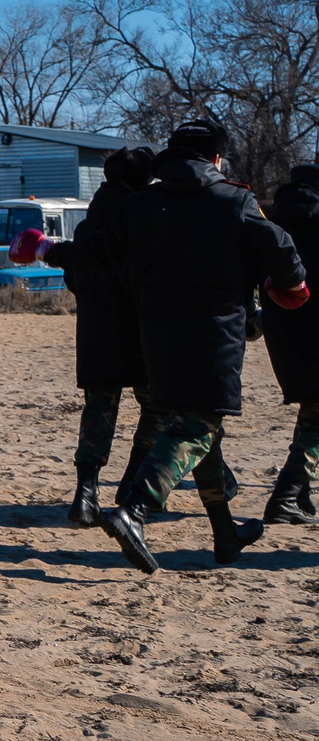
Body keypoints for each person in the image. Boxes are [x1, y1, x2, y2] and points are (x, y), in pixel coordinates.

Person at [92, 119, 307, 572]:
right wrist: (290, 283)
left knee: (197, 424)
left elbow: (109, 254)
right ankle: (134, 509)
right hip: (214, 332)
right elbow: (280, 244)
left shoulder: (140, 203)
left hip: (154, 331)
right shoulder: (234, 199)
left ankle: (225, 533)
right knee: (200, 426)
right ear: (216, 158)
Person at [16, 146, 159, 524]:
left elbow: (73, 279)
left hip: (97, 333)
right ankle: (131, 484)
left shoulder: (85, 227)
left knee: (98, 413)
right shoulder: (143, 222)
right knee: (157, 409)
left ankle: (86, 493)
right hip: (144, 333)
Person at [260, 164, 319, 526]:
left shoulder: (273, 222)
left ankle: (301, 496)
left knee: (312, 409)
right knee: (316, 419)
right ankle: (285, 496)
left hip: (284, 327)